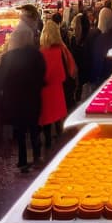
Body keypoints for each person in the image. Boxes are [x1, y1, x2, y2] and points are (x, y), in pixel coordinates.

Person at [0, 26, 46, 172]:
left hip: (15, 100)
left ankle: (23, 160)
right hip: (33, 98)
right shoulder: (37, 55)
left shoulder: (8, 57)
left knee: (19, 131)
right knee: (34, 128)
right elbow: (42, 74)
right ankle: (37, 156)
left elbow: (2, 79)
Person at [38, 20, 72, 149]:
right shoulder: (62, 49)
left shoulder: (41, 52)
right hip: (58, 88)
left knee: (46, 118)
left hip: (45, 89)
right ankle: (60, 139)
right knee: (58, 117)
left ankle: (47, 143)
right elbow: (69, 68)